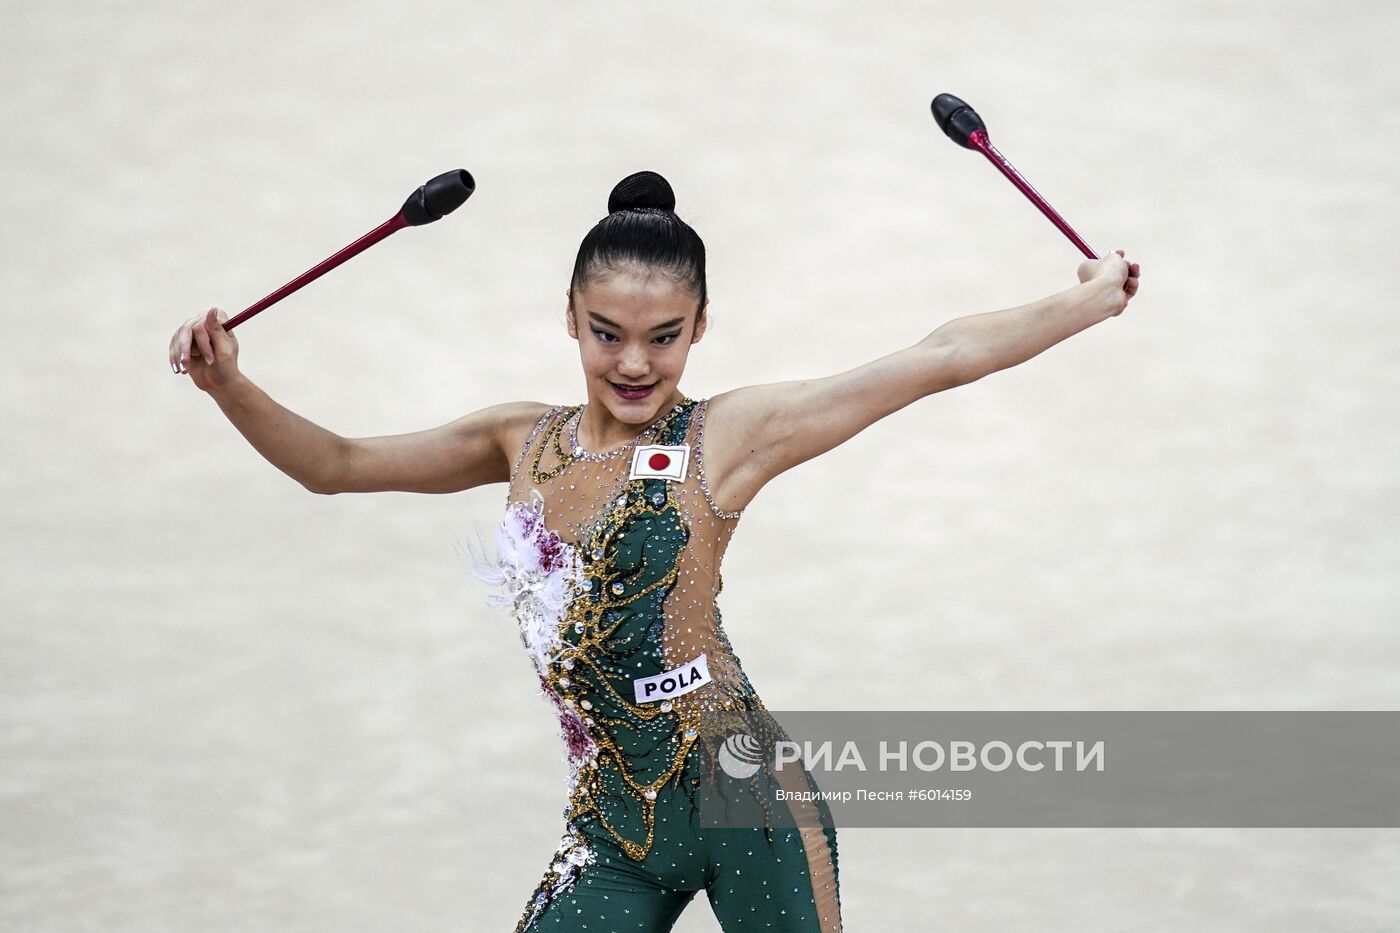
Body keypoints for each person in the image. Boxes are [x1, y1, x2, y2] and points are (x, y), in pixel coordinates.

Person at [168, 170, 1140, 932]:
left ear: (699, 328)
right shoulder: (518, 441)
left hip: (742, 797)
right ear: (569, 318)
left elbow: (935, 356)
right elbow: (335, 463)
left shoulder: (726, 436)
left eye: (663, 338)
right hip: (612, 825)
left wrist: (1085, 303)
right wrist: (229, 389)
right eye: (606, 335)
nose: (634, 363)